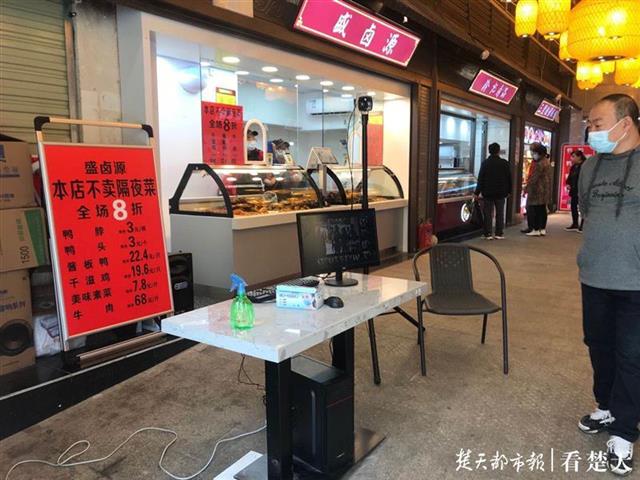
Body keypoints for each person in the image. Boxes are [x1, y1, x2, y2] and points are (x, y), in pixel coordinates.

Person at [576, 93, 640, 476]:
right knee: (598, 346)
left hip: (635, 283)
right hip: (594, 276)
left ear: (625, 123)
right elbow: (587, 209)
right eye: (590, 124)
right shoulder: (590, 167)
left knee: (631, 355)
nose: (591, 131)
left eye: (597, 124)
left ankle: (624, 431)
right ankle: (607, 407)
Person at [473, 142, 512, 240]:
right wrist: (509, 191)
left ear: (489, 151)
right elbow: (509, 178)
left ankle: (488, 233)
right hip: (501, 193)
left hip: (488, 193)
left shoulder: (485, 163)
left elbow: (480, 179)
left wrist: (476, 193)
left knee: (487, 213)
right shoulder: (504, 163)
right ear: (498, 151)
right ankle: (499, 233)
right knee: (500, 213)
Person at [523, 143, 552, 237]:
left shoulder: (539, 163)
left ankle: (535, 229)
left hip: (537, 190)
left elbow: (534, 178)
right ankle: (542, 228)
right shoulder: (546, 161)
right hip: (544, 189)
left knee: (534, 210)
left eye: (533, 152)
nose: (532, 154)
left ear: (538, 152)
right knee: (542, 209)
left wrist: (527, 188)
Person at [564, 150, 586, 232]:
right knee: (573, 206)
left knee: (582, 207)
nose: (571, 158)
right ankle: (575, 223)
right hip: (574, 190)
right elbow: (569, 177)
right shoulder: (574, 167)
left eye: (573, 156)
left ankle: (583, 225)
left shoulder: (585, 166)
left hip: (582, 190)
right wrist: (568, 183)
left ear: (579, 157)